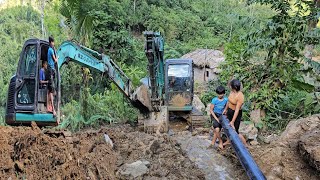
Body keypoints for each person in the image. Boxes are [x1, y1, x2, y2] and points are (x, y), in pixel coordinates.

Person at [223, 79, 248, 147]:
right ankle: (229, 141)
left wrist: (233, 121)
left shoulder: (240, 96)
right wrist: (225, 109)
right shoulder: (232, 92)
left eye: (230, 85)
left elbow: (237, 110)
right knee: (229, 128)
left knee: (235, 131)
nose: (229, 86)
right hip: (230, 111)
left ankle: (245, 144)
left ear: (233, 87)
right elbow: (228, 101)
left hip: (236, 114)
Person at [209, 85, 228, 149]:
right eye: (219, 94)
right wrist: (216, 119)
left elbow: (227, 106)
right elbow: (211, 110)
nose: (220, 95)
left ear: (224, 93)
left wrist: (225, 110)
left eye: (221, 94)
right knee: (217, 129)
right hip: (214, 114)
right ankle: (220, 141)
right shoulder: (214, 100)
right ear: (217, 93)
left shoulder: (226, 99)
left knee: (218, 129)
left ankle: (212, 143)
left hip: (221, 115)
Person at [47, 36, 58, 116]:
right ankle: (53, 110)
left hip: (51, 70)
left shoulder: (49, 50)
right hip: (51, 70)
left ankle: (49, 107)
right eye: (53, 42)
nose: (54, 44)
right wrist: (58, 57)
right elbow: (55, 60)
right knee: (51, 90)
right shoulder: (51, 50)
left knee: (50, 90)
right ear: (51, 42)